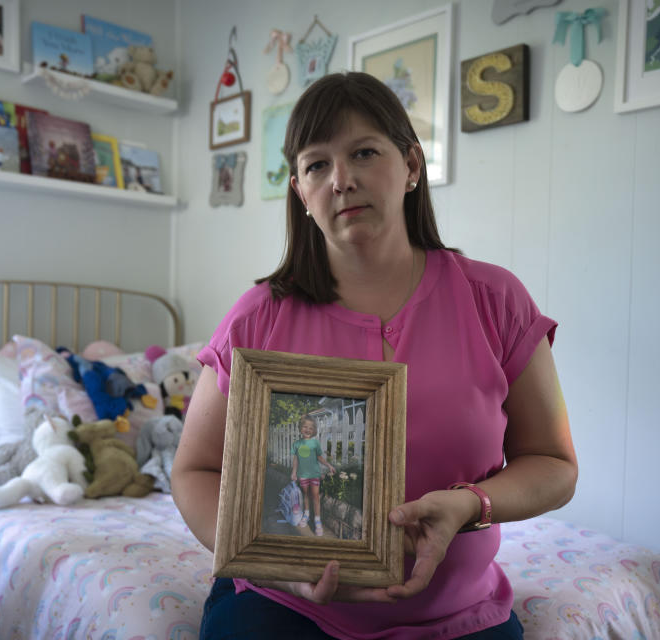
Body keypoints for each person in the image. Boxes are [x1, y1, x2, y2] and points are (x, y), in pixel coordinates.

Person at [172, 71, 578, 640]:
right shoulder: (257, 316)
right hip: (285, 608)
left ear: (411, 166)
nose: (341, 179)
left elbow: (555, 465)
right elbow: (195, 469)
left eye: (364, 152)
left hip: (457, 614)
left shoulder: (495, 300)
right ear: (299, 191)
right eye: (317, 165)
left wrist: (470, 505)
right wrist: (278, 568)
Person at [290, 415, 337, 536]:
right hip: (303, 475)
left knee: (315, 496)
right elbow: (295, 460)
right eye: (305, 427)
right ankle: (306, 514)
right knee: (306, 494)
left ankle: (317, 520)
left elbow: (319, 457)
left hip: (314, 474)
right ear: (300, 428)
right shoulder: (296, 444)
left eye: (310, 428)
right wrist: (294, 472)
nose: (307, 429)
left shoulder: (315, 443)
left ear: (314, 430)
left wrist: (329, 465)